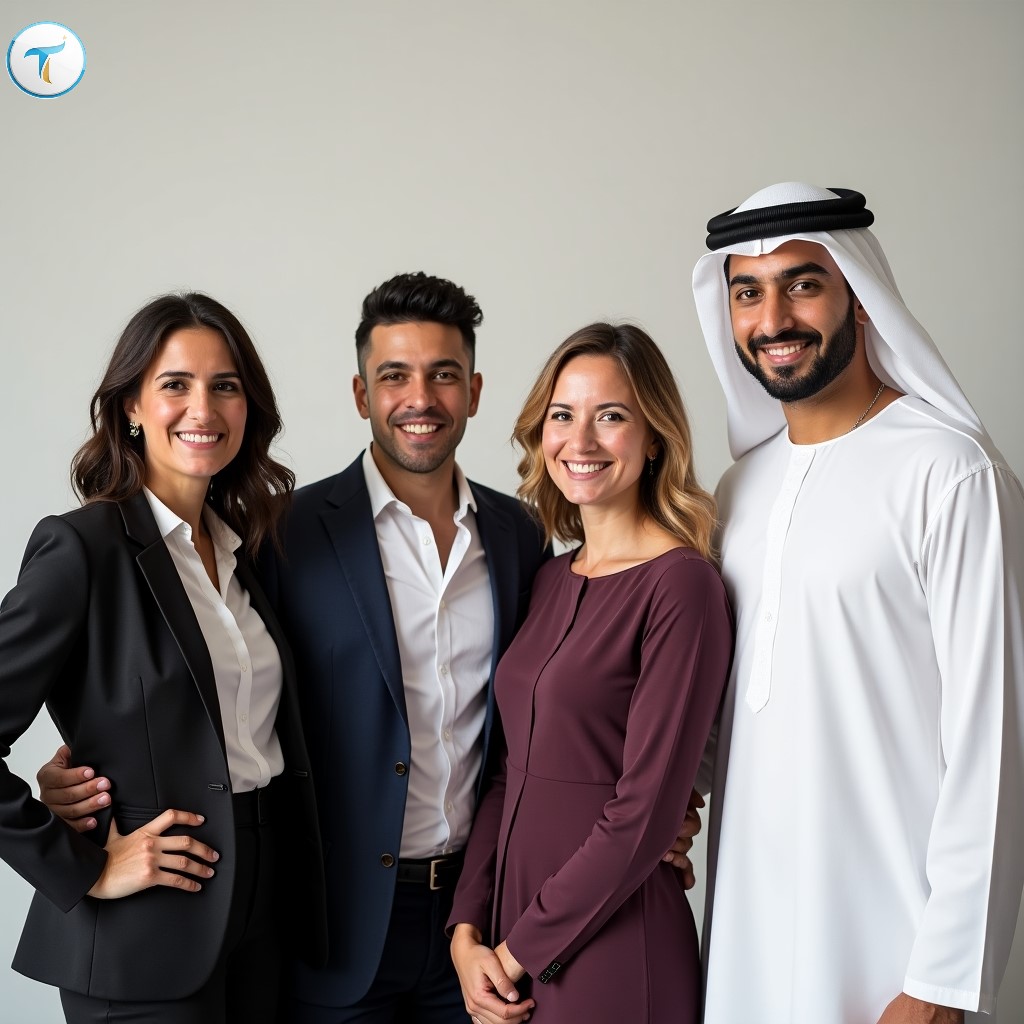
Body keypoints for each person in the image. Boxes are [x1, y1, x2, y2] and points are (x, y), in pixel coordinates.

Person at [37, 275, 699, 1022]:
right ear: (361, 394)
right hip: (335, 930)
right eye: (393, 376)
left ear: (475, 391)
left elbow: (556, 713)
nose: (420, 398)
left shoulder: (522, 539)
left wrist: (658, 810)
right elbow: (213, 680)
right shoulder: (281, 532)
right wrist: (86, 780)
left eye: (443, 374)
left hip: (484, 920)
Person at [691, 182, 1024, 1023]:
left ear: (861, 295)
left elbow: (995, 741)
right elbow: (725, 718)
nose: (773, 319)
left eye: (802, 284)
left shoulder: (951, 473)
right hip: (744, 943)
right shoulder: (737, 491)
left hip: (894, 955)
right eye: (746, 293)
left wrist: (942, 981)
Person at [0, 293, 326, 1023]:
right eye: (175, 384)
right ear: (131, 408)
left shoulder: (244, 551)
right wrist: (82, 868)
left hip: (262, 914)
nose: (202, 408)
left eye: (225, 386)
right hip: (141, 930)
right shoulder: (82, 548)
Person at [448, 323, 733, 1023]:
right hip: (510, 939)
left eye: (610, 416)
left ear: (654, 435)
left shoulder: (682, 586)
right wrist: (466, 933)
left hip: (614, 942)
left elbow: (646, 815)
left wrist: (514, 955)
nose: (581, 441)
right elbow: (506, 771)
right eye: (562, 415)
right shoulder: (549, 578)